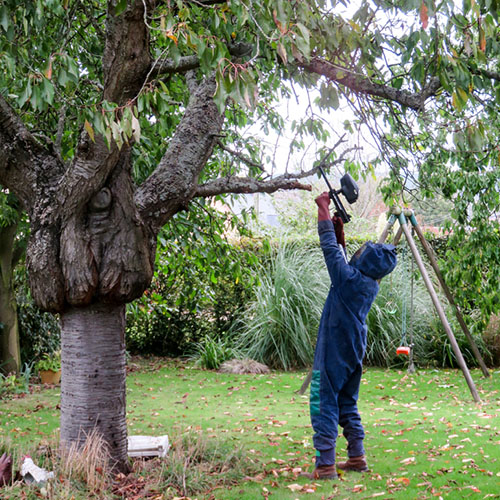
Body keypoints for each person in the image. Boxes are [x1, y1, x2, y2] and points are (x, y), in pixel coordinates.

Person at [302, 192, 397, 480]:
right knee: (347, 401)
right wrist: (339, 229)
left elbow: (331, 251)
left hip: (334, 347)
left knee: (323, 400)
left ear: (364, 262)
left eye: (363, 251)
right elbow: (342, 260)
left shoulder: (349, 280)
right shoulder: (367, 283)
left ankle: (325, 465)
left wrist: (322, 209)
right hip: (353, 348)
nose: (360, 251)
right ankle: (357, 457)